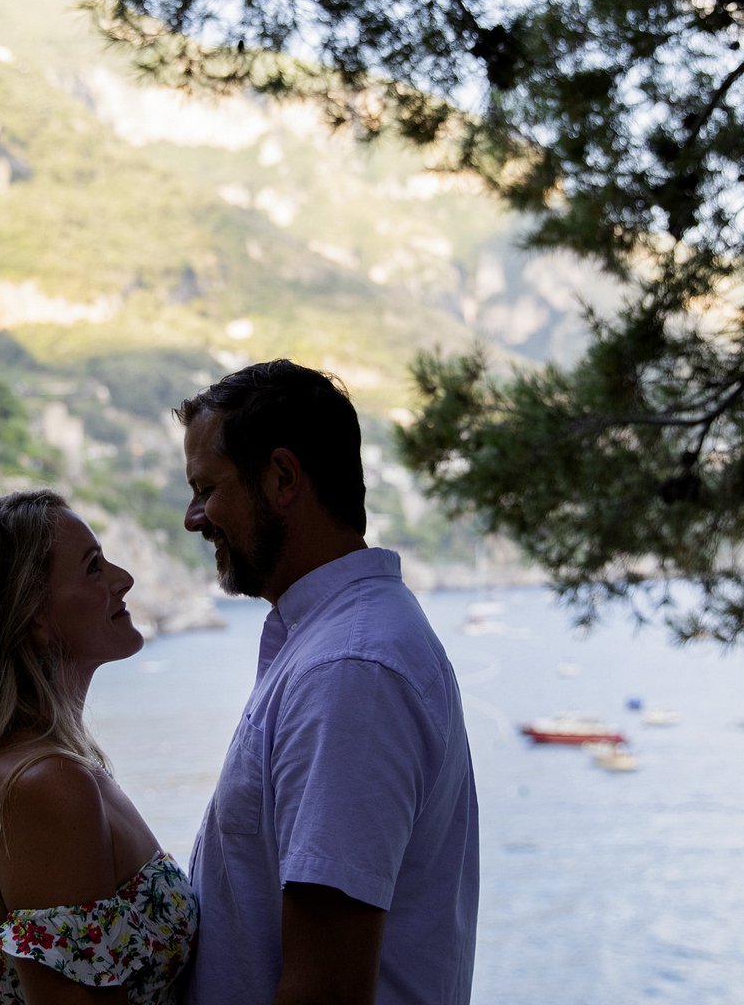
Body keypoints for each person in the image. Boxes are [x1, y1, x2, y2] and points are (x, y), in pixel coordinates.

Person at [176, 360, 480, 1004]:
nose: (194, 517)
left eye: (207, 489)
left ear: (283, 477)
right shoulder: (339, 647)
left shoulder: (349, 672)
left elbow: (327, 987)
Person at [0, 489, 198, 1003]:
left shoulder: (39, 771)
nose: (124, 580)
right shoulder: (42, 787)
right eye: (93, 568)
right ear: (32, 613)